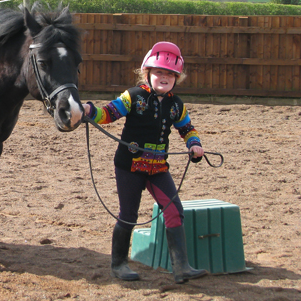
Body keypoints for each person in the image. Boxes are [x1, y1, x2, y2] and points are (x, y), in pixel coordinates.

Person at [83, 41, 208, 284]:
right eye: (159, 72)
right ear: (147, 73)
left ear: (177, 78)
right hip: (129, 166)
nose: (164, 77)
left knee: (174, 210)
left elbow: (187, 129)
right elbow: (109, 113)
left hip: (158, 168)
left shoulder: (177, 106)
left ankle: (181, 267)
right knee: (128, 214)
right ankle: (118, 264)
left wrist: (194, 144)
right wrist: (90, 111)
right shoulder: (133, 96)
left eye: (170, 74)